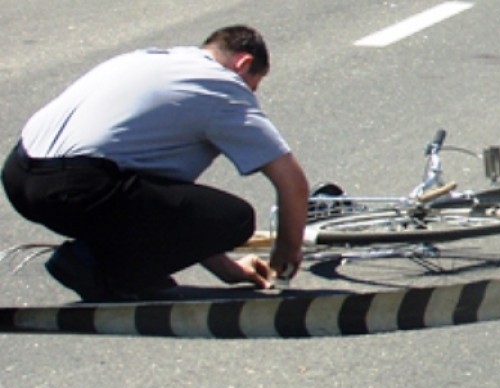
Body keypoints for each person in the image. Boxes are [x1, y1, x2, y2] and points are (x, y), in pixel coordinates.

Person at [1, 25, 309, 302]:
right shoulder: (224, 87)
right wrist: (286, 253)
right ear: (243, 64)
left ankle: (99, 256)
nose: (250, 95)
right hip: (77, 187)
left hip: (19, 175)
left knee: (152, 198)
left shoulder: (148, 59)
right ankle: (97, 264)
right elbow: (292, 182)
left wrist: (230, 271)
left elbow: (170, 211)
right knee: (236, 218)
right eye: (252, 86)